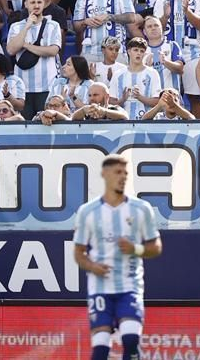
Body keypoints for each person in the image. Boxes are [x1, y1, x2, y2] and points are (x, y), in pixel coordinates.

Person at [73, 154, 162, 360]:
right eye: (117, 172)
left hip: (129, 286)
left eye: (125, 173)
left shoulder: (141, 209)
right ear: (104, 174)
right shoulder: (88, 211)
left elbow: (156, 247)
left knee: (131, 339)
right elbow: (79, 253)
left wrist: (136, 249)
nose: (122, 177)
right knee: (101, 348)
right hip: (100, 288)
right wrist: (92, 266)